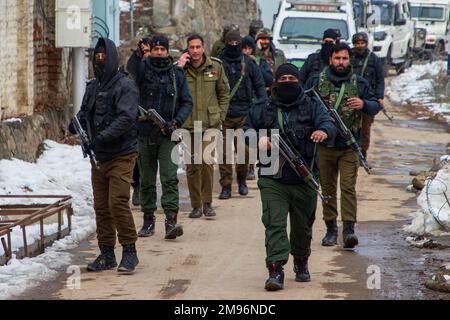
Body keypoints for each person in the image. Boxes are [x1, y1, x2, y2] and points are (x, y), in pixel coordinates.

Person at [252, 63, 336, 291]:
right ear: (276, 82)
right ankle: (275, 269)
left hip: (304, 177)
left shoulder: (312, 104)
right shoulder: (263, 106)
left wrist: (324, 131)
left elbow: (328, 122)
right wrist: (257, 140)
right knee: (274, 223)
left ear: (298, 80)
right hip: (272, 177)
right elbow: (244, 130)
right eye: (283, 78)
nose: (287, 81)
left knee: (302, 227)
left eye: (292, 77)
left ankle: (301, 260)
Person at [69, 38, 140, 274]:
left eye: (103, 57)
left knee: (117, 202)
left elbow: (126, 118)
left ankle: (129, 251)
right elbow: (83, 113)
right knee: (101, 207)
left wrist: (102, 137)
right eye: (96, 57)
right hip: (98, 158)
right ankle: (107, 252)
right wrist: (75, 124)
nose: (100, 61)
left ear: (111, 58)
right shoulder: (92, 87)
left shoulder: (125, 85)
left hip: (122, 154)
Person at [305, 43, 382, 249]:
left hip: (349, 145)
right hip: (325, 146)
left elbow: (376, 106)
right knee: (328, 188)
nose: (341, 62)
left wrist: (364, 104)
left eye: (345, 59)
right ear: (331, 60)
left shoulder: (360, 83)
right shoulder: (316, 81)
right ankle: (331, 228)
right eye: (337, 58)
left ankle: (349, 230)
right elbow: (303, 106)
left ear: (350, 60)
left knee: (348, 188)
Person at [127, 34, 193, 239]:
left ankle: (171, 221)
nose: (158, 53)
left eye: (162, 50)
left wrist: (177, 122)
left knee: (169, 178)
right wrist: (138, 54)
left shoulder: (176, 74)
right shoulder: (142, 69)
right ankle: (148, 220)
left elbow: (187, 102)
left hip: (168, 135)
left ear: (167, 51)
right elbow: (131, 69)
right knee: (146, 180)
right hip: (145, 134)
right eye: (155, 49)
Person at [178, 34, 230, 218]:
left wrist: (220, 115)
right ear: (187, 49)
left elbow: (224, 93)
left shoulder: (215, 67)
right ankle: (196, 205)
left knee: (207, 163)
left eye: (198, 47)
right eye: (191, 47)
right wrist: (178, 68)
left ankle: (207, 203)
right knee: (192, 165)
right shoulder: (181, 70)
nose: (195, 51)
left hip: (210, 123)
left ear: (204, 47)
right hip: (188, 124)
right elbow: (173, 91)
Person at [218, 30, 268, 199]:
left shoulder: (249, 63)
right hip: (224, 115)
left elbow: (260, 87)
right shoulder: (218, 63)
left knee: (244, 151)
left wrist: (259, 106)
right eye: (230, 43)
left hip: (245, 115)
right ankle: (225, 185)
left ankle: (241, 180)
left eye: (236, 44)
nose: (233, 46)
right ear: (225, 43)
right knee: (224, 153)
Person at [241, 35, 273, 180]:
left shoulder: (259, 62)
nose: (247, 51)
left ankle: (251, 167)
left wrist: (256, 66)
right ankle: (247, 168)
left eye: (249, 48)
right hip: (244, 104)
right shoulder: (238, 63)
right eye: (244, 48)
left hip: (258, 103)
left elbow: (268, 79)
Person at [350, 32, 385, 160]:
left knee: (365, 127)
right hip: (350, 97)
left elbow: (380, 79)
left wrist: (379, 97)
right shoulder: (348, 56)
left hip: (368, 98)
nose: (360, 45)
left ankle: (362, 152)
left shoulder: (373, 59)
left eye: (362, 43)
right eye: (357, 43)